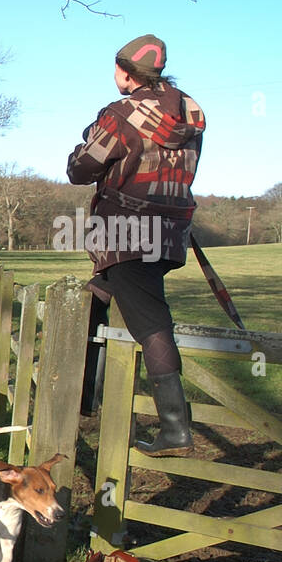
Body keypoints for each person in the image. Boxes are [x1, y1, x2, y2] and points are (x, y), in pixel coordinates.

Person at [69, 34, 205, 456]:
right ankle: (86, 396)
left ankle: (175, 429)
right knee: (96, 297)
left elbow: (81, 168)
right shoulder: (191, 111)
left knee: (151, 324)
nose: (114, 76)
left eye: (116, 69)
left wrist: (86, 138)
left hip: (125, 232)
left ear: (127, 72)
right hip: (169, 232)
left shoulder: (120, 115)